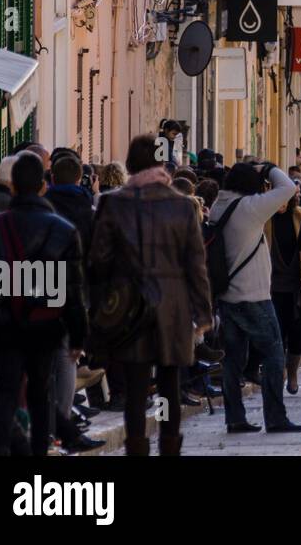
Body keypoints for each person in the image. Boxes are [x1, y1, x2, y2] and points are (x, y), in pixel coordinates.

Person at [84, 136, 209, 455]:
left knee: (136, 388)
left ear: (130, 164)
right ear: (161, 163)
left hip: (130, 306)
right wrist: (203, 313)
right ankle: (169, 446)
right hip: (173, 306)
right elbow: (196, 264)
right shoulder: (182, 204)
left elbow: (97, 261)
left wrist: (99, 308)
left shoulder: (113, 203)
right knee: (170, 384)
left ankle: (136, 448)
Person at [0, 151, 85, 455]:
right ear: (43, 186)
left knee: (6, 391)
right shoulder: (63, 230)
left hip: (3, 325)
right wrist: (78, 334)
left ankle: (1, 449)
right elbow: (71, 291)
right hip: (45, 324)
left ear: (14, 186)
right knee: (38, 392)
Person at [209, 161, 301, 435]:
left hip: (228, 296)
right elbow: (288, 188)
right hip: (253, 296)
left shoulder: (220, 206)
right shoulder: (250, 208)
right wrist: (270, 168)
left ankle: (235, 418)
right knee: (275, 355)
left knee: (233, 360)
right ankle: (275, 417)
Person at [268, 191, 301, 394]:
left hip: (297, 287)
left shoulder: (300, 215)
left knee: (297, 333)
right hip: (272, 286)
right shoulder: (265, 218)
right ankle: (279, 371)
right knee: (276, 333)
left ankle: (292, 373)